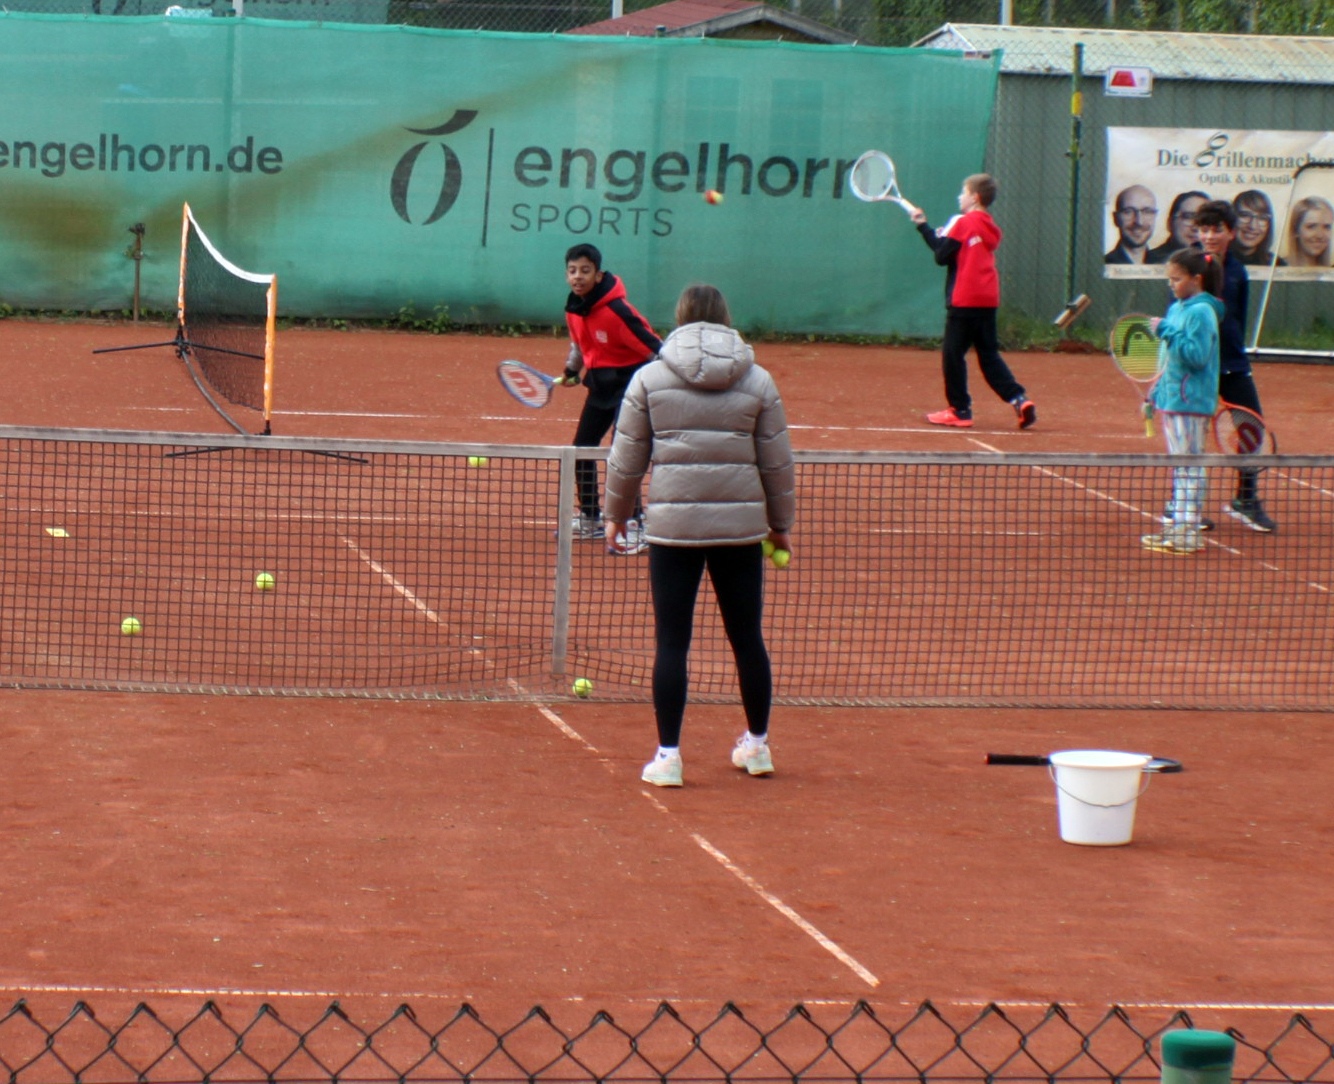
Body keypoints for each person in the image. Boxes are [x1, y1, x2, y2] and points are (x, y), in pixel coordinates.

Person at [603, 284, 795, 788]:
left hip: (673, 531)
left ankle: (668, 757)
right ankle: (757, 746)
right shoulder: (758, 380)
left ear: (680, 317)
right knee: (747, 638)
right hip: (740, 532)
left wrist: (615, 514)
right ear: (725, 317)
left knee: (672, 643)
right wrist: (780, 526)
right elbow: (777, 462)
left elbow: (626, 456)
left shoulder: (649, 378)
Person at [910, 173, 1035, 430]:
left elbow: (941, 255)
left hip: (965, 298)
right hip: (987, 298)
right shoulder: (988, 225)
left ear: (975, 198)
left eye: (963, 192)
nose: (959, 197)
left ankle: (960, 410)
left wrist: (923, 227)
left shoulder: (963, 222)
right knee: (988, 355)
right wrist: (932, 231)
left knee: (952, 354)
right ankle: (1019, 399)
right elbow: (954, 248)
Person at [561, 243, 662, 548]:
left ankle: (635, 522)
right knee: (581, 449)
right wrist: (571, 370)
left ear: (598, 274)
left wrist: (662, 384)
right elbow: (579, 345)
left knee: (623, 455)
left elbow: (656, 350)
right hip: (600, 386)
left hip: (629, 389)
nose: (578, 277)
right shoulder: (575, 309)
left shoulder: (617, 312)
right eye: (572, 271)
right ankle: (591, 517)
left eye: (585, 270)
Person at [1193, 199, 1276, 532]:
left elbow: (1237, 319)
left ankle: (1245, 499)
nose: (1209, 236)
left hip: (1232, 365)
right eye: (1204, 230)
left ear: (1230, 233)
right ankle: (1182, 504)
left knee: (1252, 429)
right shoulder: (1188, 265)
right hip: (1198, 365)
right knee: (1191, 436)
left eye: (1217, 230)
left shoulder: (1238, 271)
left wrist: (1234, 356)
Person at [1140, 248, 1223, 555]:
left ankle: (1188, 533)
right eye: (1170, 279)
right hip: (1173, 399)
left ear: (1196, 279)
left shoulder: (1201, 312)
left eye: (1176, 279)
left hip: (1190, 402)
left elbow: (1196, 356)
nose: (1171, 284)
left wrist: (1166, 330)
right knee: (1181, 466)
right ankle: (1178, 528)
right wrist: (1157, 391)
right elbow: (1169, 359)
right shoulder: (1177, 308)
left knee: (1190, 466)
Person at [1146, 191, 1209, 263]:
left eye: (1204, 219)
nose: (1195, 228)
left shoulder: (1213, 261)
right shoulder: (1148, 261)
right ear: (1170, 223)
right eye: (1188, 217)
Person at [1104, 184, 1159, 264]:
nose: (1139, 222)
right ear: (1115, 218)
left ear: (1155, 216)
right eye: (1128, 212)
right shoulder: (1102, 265)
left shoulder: (1165, 265)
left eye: (1147, 211)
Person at [1232, 190, 1286, 267]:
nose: (1253, 226)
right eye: (1245, 215)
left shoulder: (1277, 264)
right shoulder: (1218, 261)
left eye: (1262, 218)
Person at [1286, 195, 1334, 267]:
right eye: (1311, 227)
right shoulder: (1275, 268)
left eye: (1326, 227)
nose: (1320, 235)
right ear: (1295, 230)